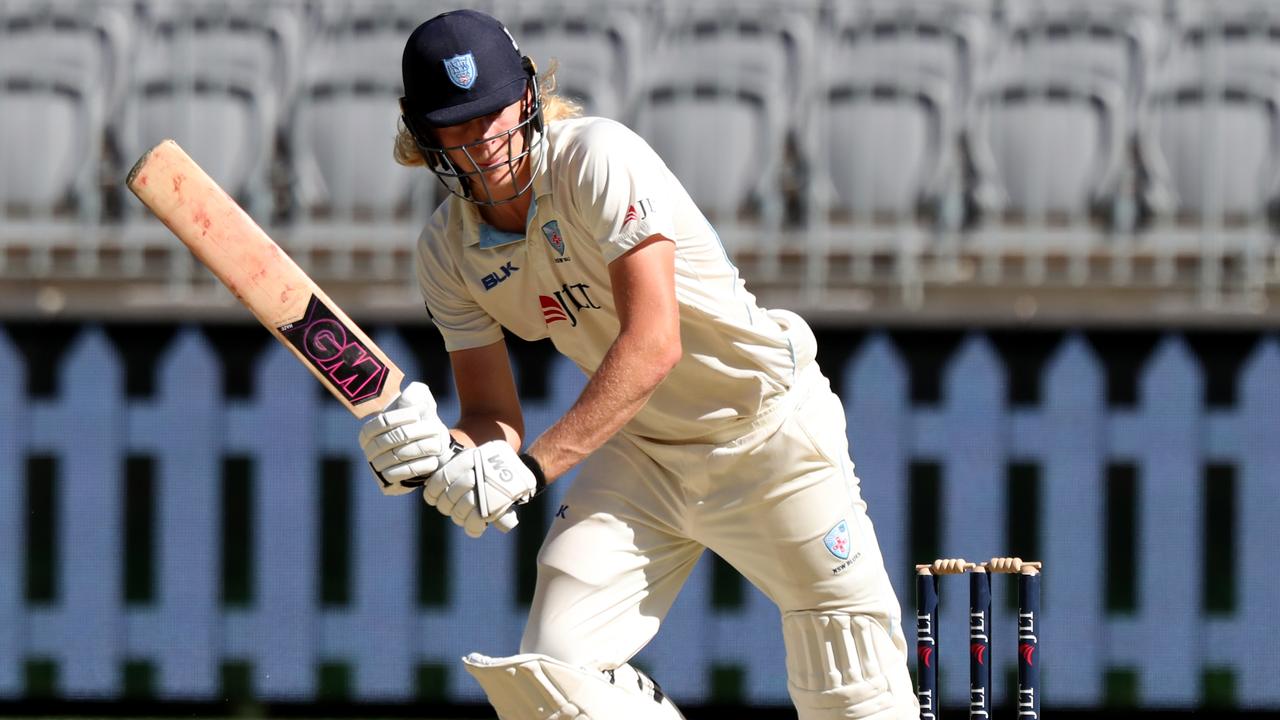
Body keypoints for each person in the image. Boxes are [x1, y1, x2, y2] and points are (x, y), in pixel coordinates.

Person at [357, 9, 919, 719]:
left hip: (766, 431)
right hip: (646, 457)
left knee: (854, 688)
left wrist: (530, 469)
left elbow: (655, 342)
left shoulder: (597, 157)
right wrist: (433, 452)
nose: (486, 140)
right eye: (459, 125)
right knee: (552, 680)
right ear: (422, 132)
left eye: (495, 112)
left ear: (528, 96)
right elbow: (491, 417)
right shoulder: (446, 252)